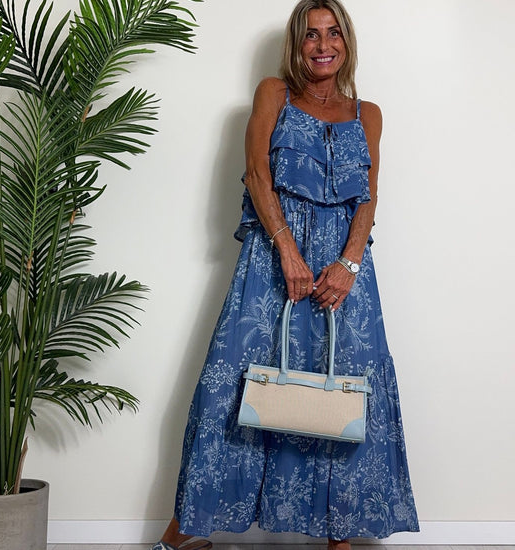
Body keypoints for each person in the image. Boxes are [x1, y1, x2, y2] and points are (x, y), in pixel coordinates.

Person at [151, 1, 419, 549]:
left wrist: (348, 264)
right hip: (272, 264)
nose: (323, 45)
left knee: (343, 389)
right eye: (311, 35)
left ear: (346, 42)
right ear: (296, 45)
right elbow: (256, 173)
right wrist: (288, 252)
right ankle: (186, 530)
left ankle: (339, 537)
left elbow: (368, 199)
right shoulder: (274, 93)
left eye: (333, 33)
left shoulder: (368, 114)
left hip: (343, 275)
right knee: (231, 386)